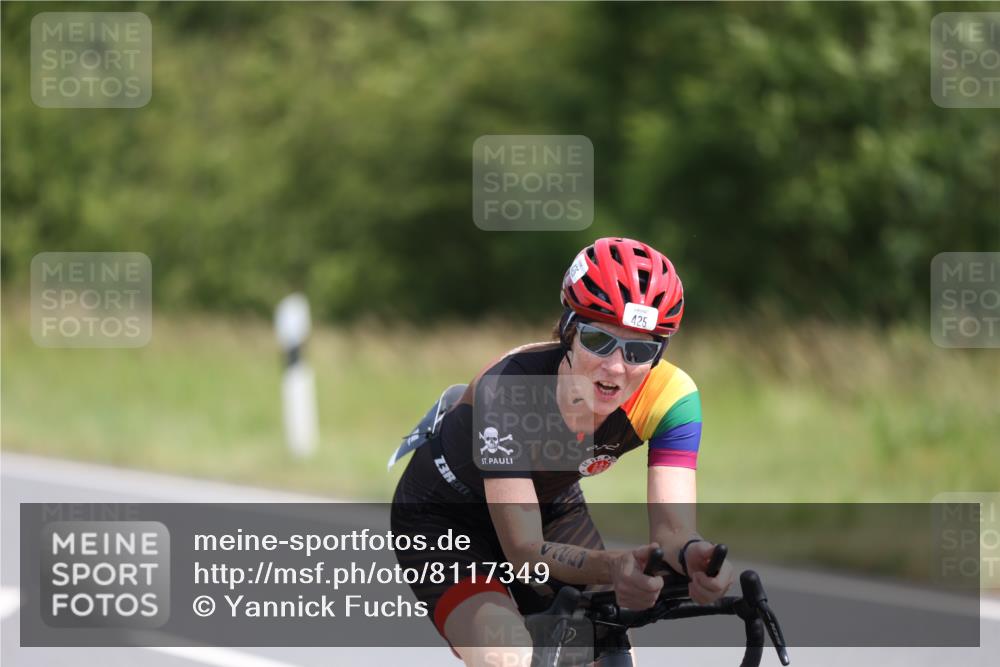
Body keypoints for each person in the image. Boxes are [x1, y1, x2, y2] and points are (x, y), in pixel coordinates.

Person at [390, 237, 735, 666]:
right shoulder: (510, 388)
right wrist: (614, 566)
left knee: (607, 649)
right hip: (443, 518)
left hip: (550, 505)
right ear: (568, 330)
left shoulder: (671, 398)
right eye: (598, 339)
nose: (615, 367)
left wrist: (692, 557)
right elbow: (524, 551)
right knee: (507, 653)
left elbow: (673, 531)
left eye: (640, 350)